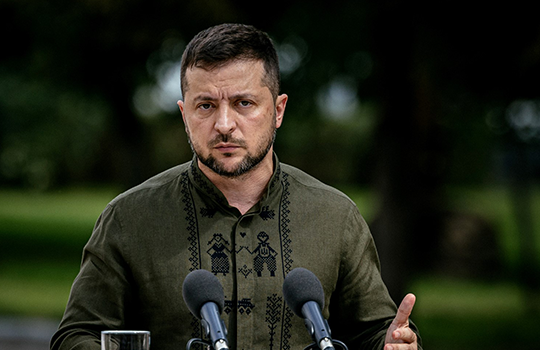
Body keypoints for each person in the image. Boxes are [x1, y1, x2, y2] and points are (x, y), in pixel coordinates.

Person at [51, 23, 422, 350]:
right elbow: (77, 335)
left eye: (244, 103)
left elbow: (373, 332)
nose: (224, 124)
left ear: (278, 110)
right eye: (206, 106)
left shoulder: (335, 217)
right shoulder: (129, 218)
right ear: (185, 115)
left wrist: (394, 344)